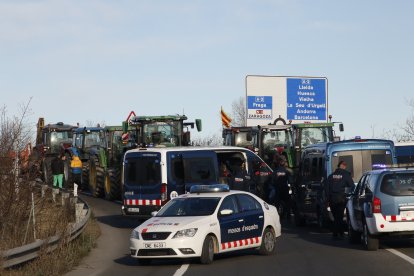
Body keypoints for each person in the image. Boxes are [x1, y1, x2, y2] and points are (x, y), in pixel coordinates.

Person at [326, 160, 354, 239]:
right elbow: (352, 186)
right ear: (343, 166)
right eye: (344, 165)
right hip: (341, 199)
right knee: (339, 216)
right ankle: (336, 233)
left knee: (336, 216)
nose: (345, 167)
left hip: (332, 199)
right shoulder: (346, 175)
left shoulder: (331, 176)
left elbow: (327, 189)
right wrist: (347, 194)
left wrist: (328, 200)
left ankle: (339, 233)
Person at [271, 155, 291, 220]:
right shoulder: (287, 171)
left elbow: (272, 181)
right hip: (285, 189)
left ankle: (276, 217)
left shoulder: (275, 171)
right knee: (288, 203)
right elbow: (290, 181)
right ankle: (288, 217)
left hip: (278, 190)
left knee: (275, 203)